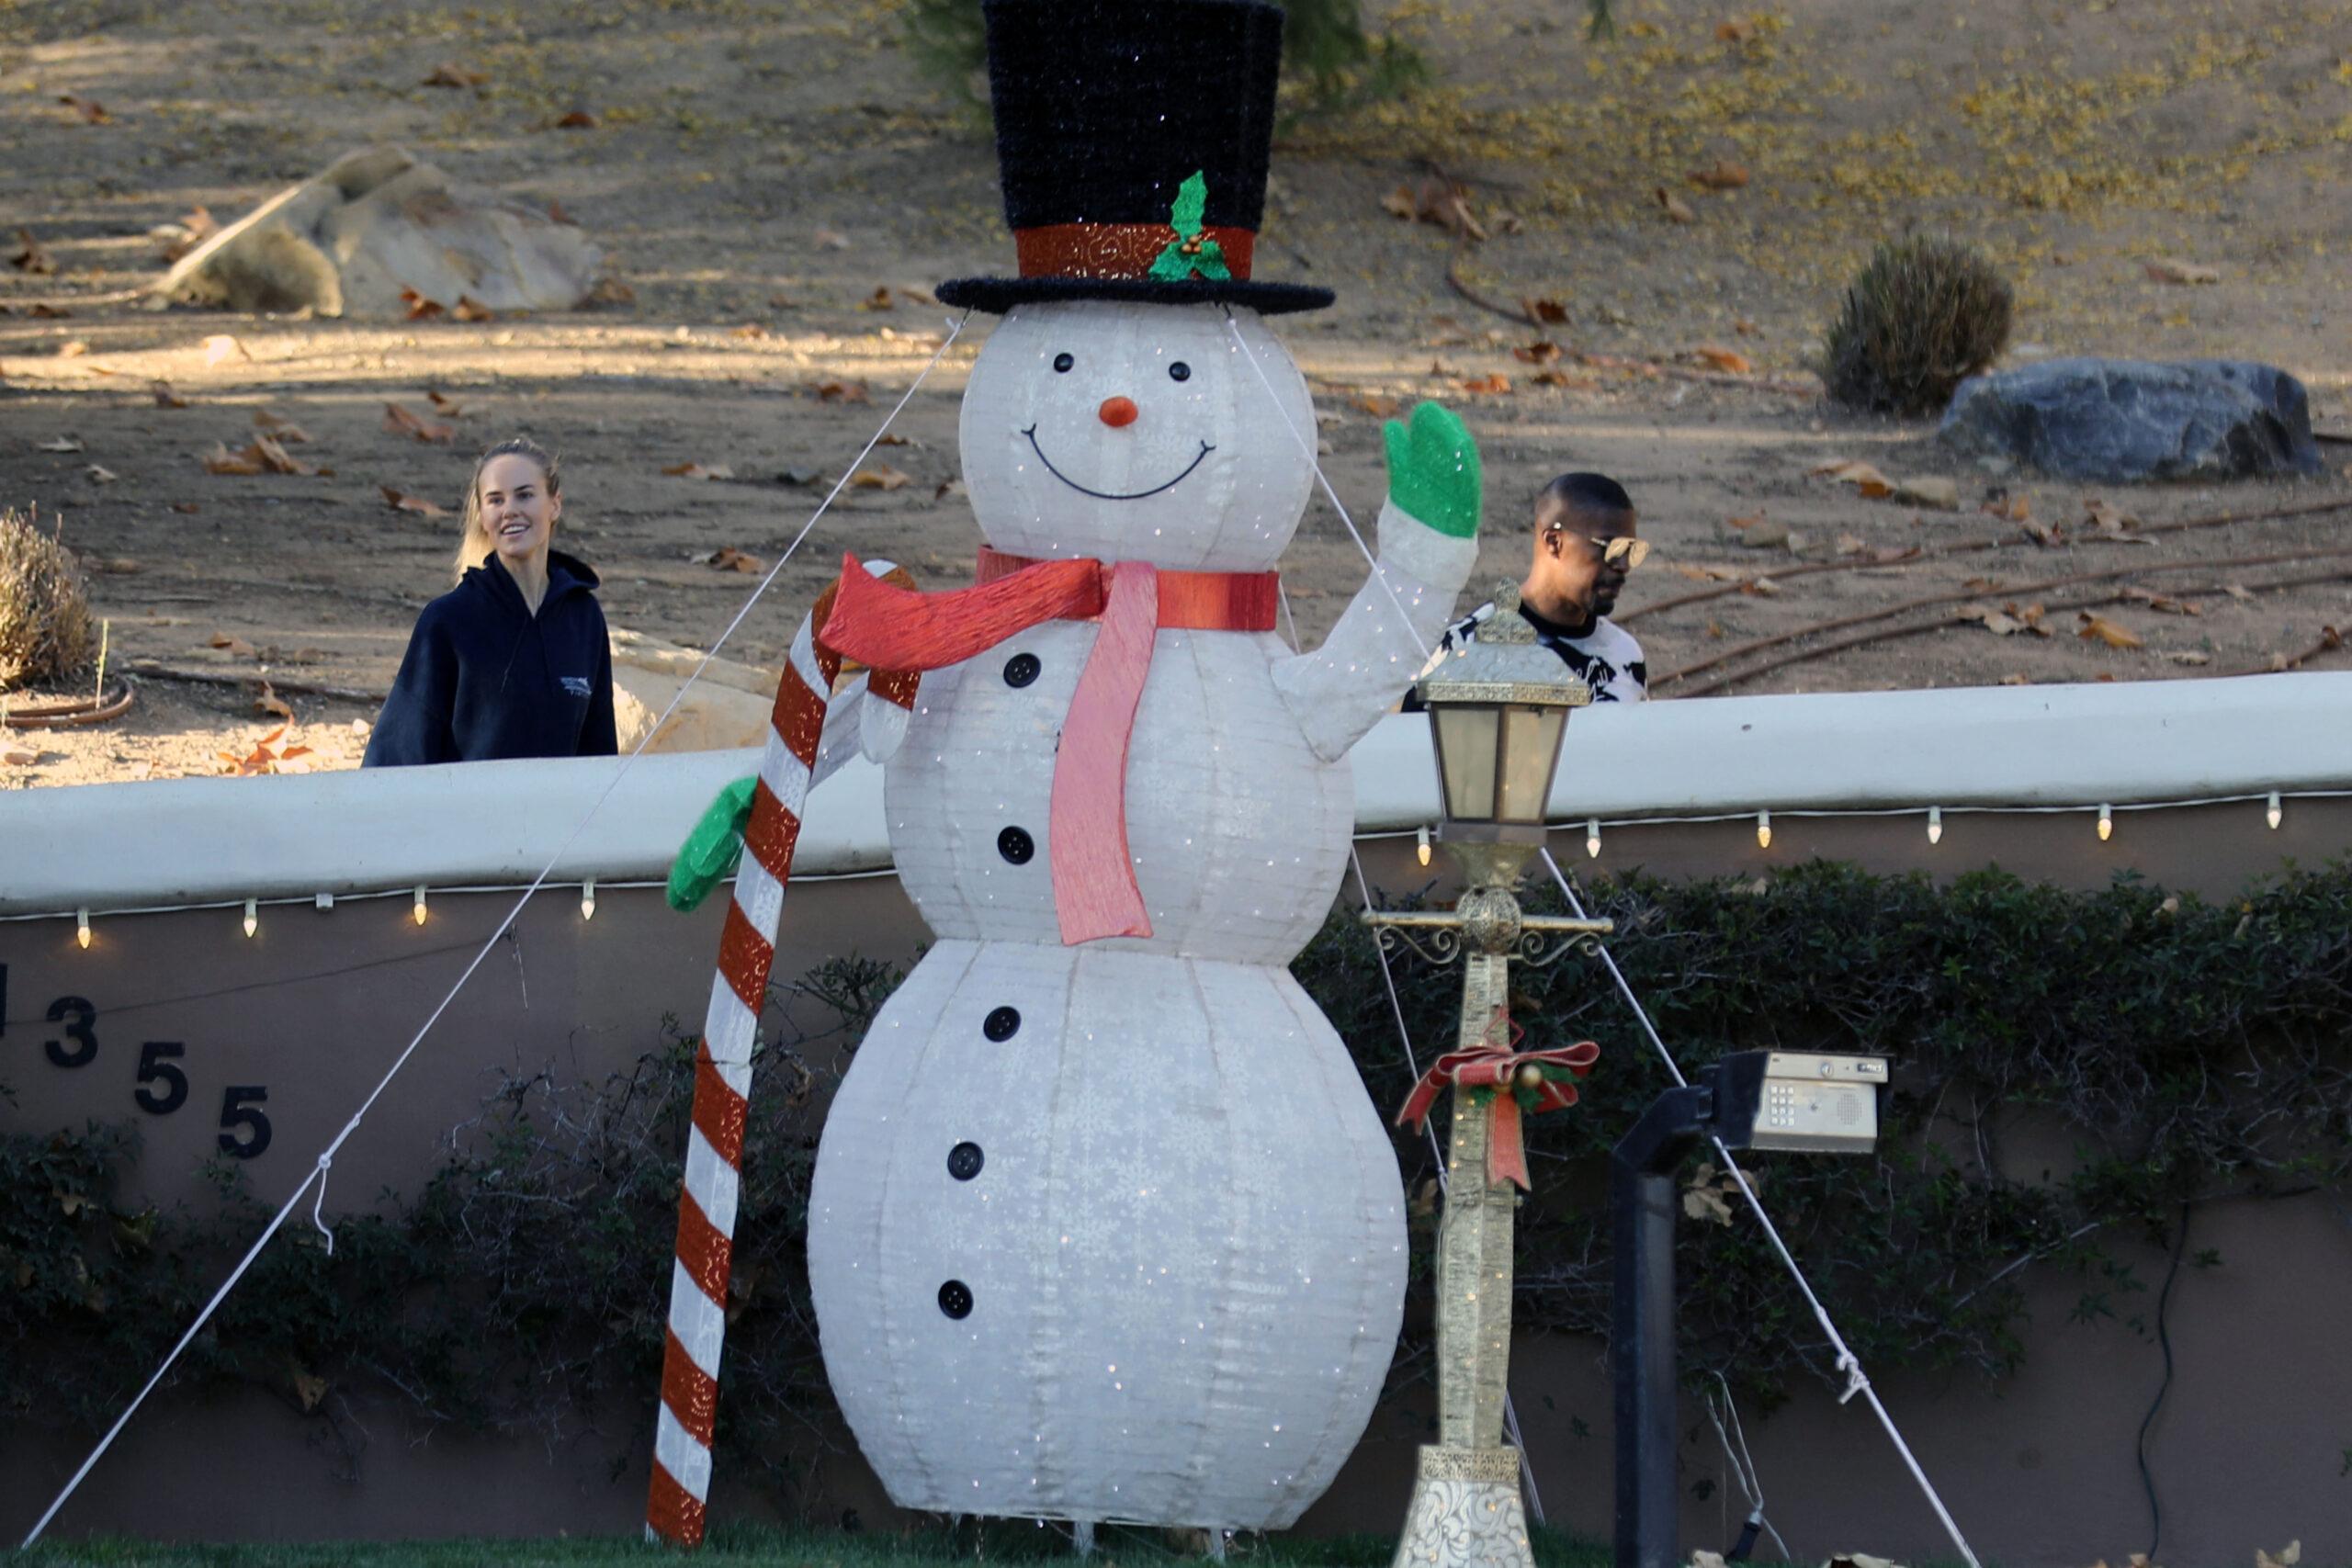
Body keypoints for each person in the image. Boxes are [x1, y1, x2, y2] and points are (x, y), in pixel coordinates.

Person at [362, 437, 617, 767]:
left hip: (559, 818)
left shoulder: (584, 618)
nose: (510, 510)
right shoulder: (449, 620)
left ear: (555, 504)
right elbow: (397, 753)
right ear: (482, 515)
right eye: (495, 500)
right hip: (469, 816)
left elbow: (598, 755)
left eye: (525, 495)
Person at [1418, 470, 1650, 704]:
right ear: (1554, 542)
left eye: (1632, 550)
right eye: (1612, 549)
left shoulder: (1626, 656)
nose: (1624, 565)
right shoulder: (1465, 649)